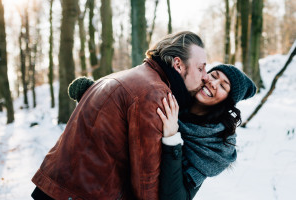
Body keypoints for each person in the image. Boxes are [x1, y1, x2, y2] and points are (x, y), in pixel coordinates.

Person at [31, 31, 208, 200]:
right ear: (178, 65)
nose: (205, 77)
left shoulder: (131, 76)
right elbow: (146, 187)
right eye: (200, 68)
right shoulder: (154, 93)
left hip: (56, 189)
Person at [157, 64, 257, 199]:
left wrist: (171, 139)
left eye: (223, 86)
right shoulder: (170, 91)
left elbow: (175, 197)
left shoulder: (215, 143)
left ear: (227, 102)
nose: (213, 83)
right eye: (214, 75)